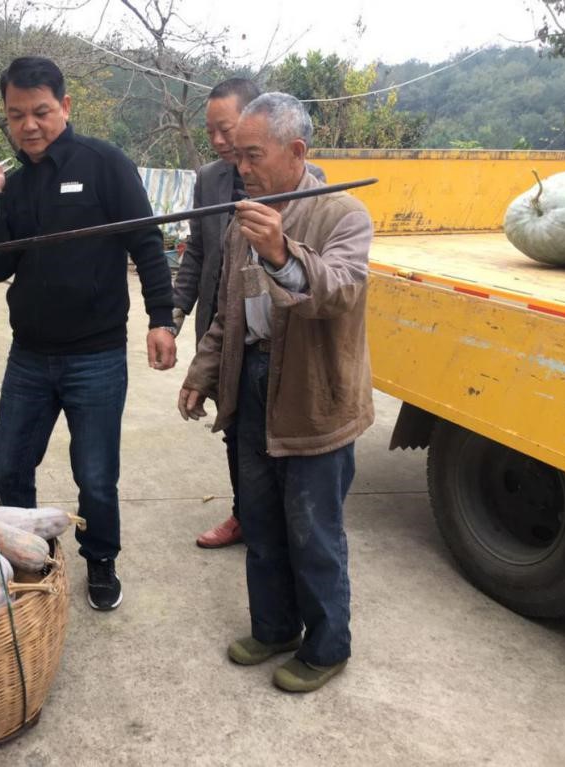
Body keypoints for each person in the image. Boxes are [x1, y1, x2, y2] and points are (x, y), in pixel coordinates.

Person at [178, 92, 374, 693]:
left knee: (313, 533)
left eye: (253, 155)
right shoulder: (246, 216)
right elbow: (228, 311)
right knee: (260, 523)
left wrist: (282, 253)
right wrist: (203, 372)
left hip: (316, 398)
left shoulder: (343, 215)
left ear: (296, 151)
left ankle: (327, 647)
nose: (241, 168)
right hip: (253, 384)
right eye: (237, 156)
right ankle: (274, 628)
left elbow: (340, 291)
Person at [0, 56, 176, 612]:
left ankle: (101, 560)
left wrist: (162, 318)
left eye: (40, 111)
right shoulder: (14, 185)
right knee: (9, 467)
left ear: (64, 106)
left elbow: (146, 243)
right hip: (29, 356)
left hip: (96, 356)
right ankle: (31, 553)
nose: (29, 125)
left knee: (96, 476)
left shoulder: (105, 164)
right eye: (17, 114)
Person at [174, 79, 327, 550]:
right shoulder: (209, 179)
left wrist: (278, 250)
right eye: (211, 132)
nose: (220, 142)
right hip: (226, 324)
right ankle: (247, 515)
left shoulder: (315, 186)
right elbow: (198, 252)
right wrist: (173, 314)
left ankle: (284, 527)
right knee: (236, 428)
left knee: (284, 438)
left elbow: (321, 276)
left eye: (227, 130)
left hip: (282, 331)